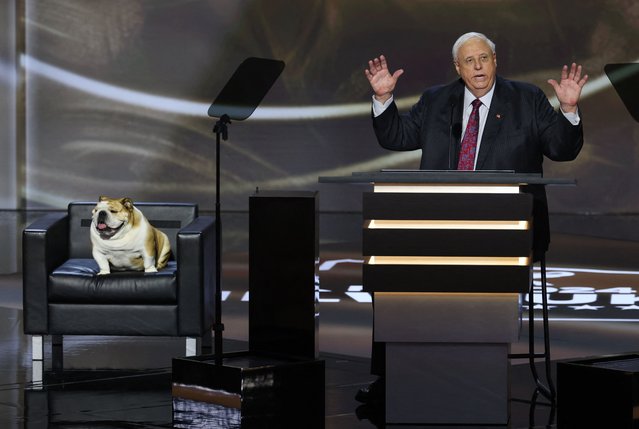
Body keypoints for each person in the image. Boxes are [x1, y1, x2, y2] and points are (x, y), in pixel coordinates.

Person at [356, 31, 588, 405]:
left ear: (495, 60)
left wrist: (569, 111)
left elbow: (561, 149)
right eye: (469, 61)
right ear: (457, 67)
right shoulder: (436, 100)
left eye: (484, 58)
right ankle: (393, 378)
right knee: (394, 271)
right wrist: (384, 99)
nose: (478, 67)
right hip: (438, 225)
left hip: (508, 230)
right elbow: (397, 137)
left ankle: (480, 381)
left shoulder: (526, 99)